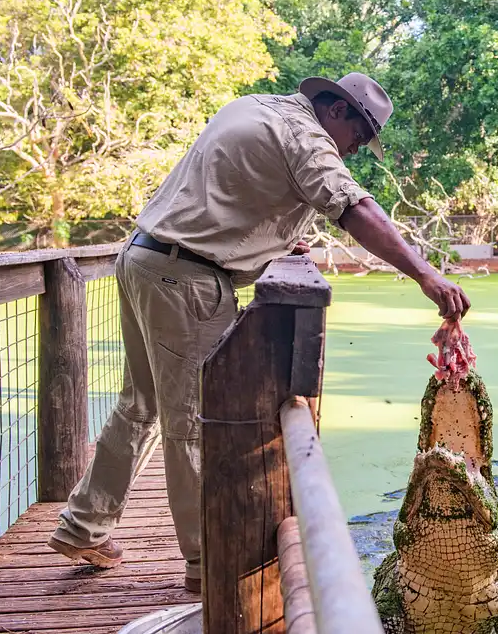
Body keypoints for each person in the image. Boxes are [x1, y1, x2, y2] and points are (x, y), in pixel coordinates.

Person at [45, 73, 471, 593]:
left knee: (140, 405)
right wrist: (426, 274)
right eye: (357, 139)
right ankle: (211, 564)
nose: (353, 152)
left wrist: (273, 246)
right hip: (187, 282)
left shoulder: (258, 107)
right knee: (200, 424)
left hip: (145, 258)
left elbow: (233, 197)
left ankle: (83, 525)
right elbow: (355, 208)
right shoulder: (307, 137)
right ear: (335, 111)